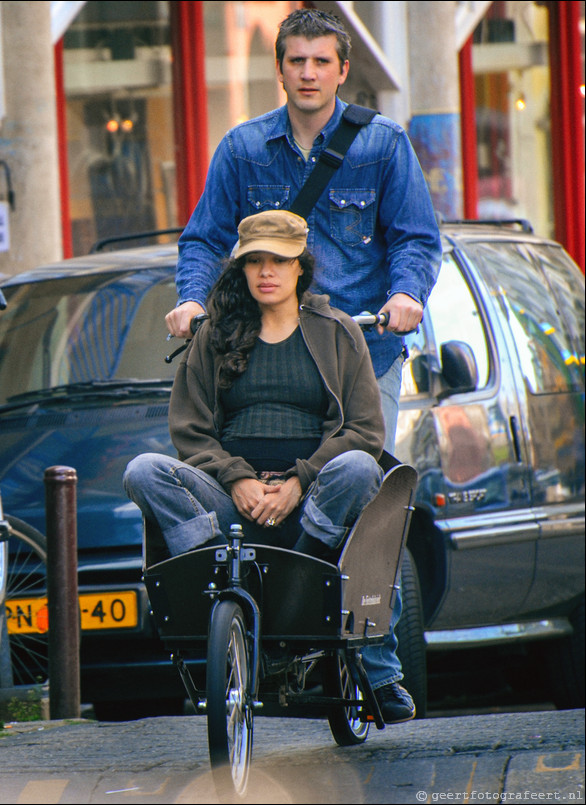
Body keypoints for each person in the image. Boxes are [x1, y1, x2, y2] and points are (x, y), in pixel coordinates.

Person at [125, 209, 416, 724]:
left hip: (311, 504)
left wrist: (298, 482)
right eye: (255, 261)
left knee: (357, 466)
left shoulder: (337, 331)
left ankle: (299, 577)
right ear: (241, 269)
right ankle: (219, 584)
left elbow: (365, 430)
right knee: (144, 471)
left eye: (278, 261)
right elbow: (190, 430)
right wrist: (236, 477)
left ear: (300, 267)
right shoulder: (215, 335)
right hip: (232, 503)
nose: (266, 272)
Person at [165, 7, 441, 455]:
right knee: (245, 492)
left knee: (359, 482)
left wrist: (406, 294)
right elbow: (204, 240)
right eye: (296, 61)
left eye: (321, 62)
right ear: (279, 69)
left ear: (342, 70)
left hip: (363, 352)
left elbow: (417, 238)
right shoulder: (243, 148)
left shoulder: (383, 143)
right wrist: (191, 298)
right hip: (266, 358)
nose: (308, 73)